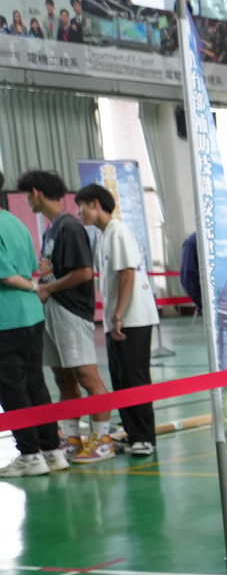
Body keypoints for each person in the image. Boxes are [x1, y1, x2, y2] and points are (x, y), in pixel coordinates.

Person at [21, 170, 110, 461]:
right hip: (54, 310)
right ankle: (72, 436)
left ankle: (103, 439)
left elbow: (84, 272)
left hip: (72, 311)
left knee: (86, 375)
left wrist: (49, 289)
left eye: (27, 196)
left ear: (36, 192)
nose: (28, 201)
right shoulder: (51, 229)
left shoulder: (69, 227)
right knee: (63, 377)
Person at [81, 184, 159, 458]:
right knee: (121, 377)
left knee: (135, 377)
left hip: (132, 319)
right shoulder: (105, 234)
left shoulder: (118, 232)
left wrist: (117, 317)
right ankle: (132, 432)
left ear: (95, 204)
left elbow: (127, 274)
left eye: (82, 206)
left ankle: (145, 438)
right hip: (120, 318)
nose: (80, 213)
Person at [0, 178, 62, 476]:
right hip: (31, 316)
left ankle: (30, 455)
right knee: (35, 382)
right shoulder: (15, 223)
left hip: (6, 318)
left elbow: (8, 277)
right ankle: (52, 450)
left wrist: (32, 284)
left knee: (12, 388)